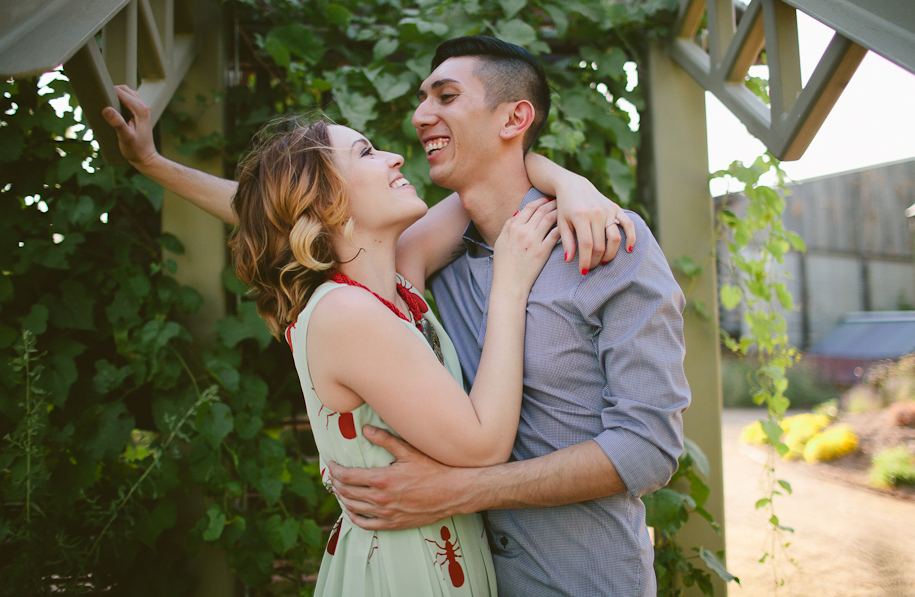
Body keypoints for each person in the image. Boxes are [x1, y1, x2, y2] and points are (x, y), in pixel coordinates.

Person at [103, 83, 630, 596]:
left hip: (443, 559)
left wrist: (569, 182)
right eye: (367, 152)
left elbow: (499, 176)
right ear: (325, 199)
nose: (396, 157)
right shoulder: (345, 313)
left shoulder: (396, 280)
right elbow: (485, 444)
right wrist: (509, 285)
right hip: (404, 574)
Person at [326, 36, 691, 597]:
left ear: (515, 117)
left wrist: (460, 490)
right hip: (464, 581)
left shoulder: (610, 244)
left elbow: (648, 449)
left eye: (446, 96)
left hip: (583, 581)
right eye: (423, 98)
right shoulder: (424, 265)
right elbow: (294, 212)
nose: (422, 115)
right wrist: (154, 164)